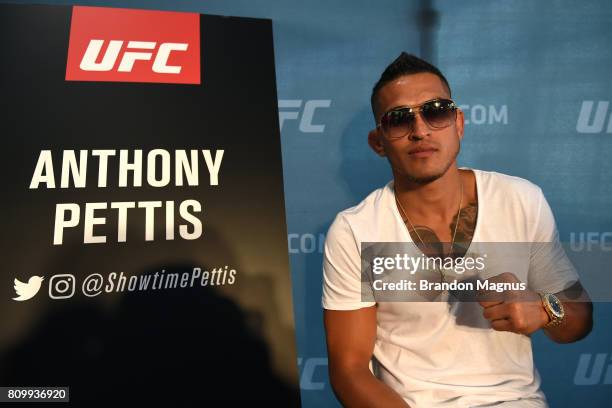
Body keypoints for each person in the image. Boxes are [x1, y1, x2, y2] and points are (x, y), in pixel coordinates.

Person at [322, 53, 593, 408]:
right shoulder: (354, 230)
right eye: (399, 120)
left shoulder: (520, 199)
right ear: (379, 142)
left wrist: (544, 310)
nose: (420, 131)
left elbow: (580, 319)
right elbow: (350, 369)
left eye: (436, 111)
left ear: (458, 123)